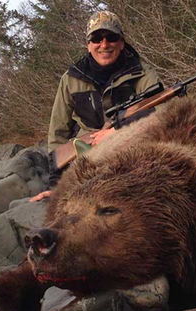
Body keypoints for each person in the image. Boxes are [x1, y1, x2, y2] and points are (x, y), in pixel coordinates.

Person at [30, 10, 162, 202]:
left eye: (111, 37)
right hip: (86, 157)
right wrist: (57, 186)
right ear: (88, 45)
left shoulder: (143, 74)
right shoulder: (70, 79)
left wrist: (117, 131)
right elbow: (57, 135)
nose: (104, 44)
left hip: (131, 150)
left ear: (122, 42)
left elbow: (163, 114)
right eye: (97, 38)